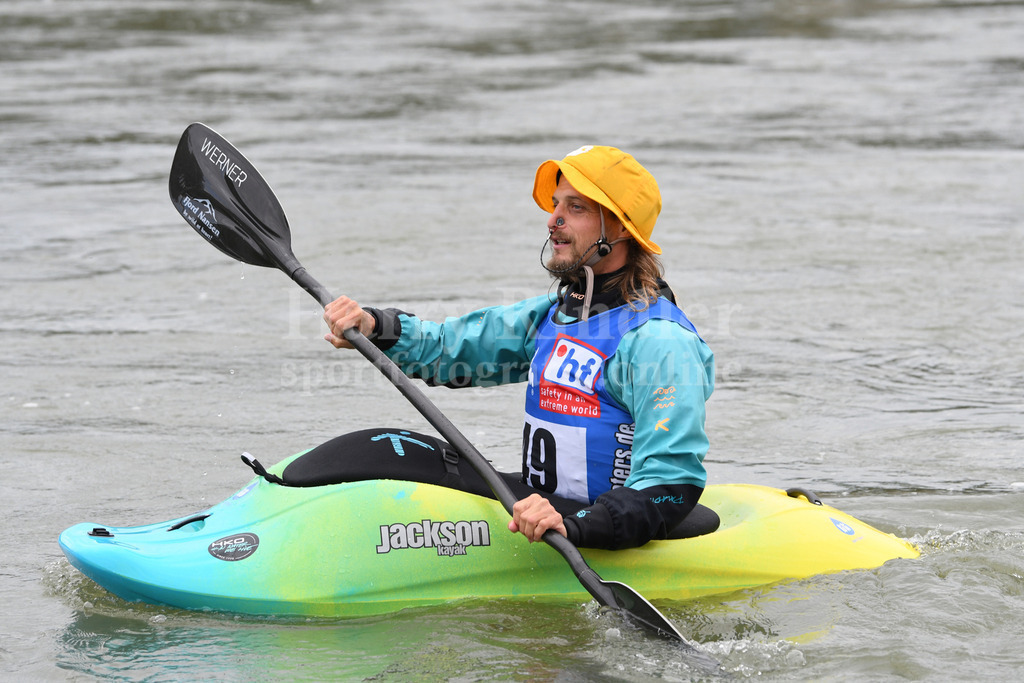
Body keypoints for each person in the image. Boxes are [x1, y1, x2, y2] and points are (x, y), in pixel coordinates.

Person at [323, 145, 714, 550]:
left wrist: (577, 525)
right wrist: (374, 326)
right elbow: (450, 351)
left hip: (597, 527)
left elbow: (670, 481)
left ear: (619, 230)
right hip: (542, 510)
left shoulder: (661, 343)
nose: (553, 220)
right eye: (555, 205)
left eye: (575, 208)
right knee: (398, 453)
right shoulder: (556, 315)